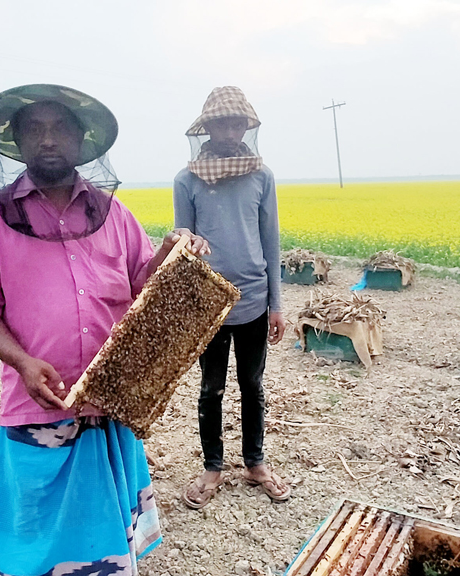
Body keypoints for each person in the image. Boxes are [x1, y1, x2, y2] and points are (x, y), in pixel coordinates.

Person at [0, 84, 208, 576]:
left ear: (81, 139)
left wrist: (171, 253)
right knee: (38, 549)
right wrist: (22, 362)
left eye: (59, 127)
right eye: (34, 129)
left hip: (113, 401)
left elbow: (143, 288)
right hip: (37, 409)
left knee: (107, 543)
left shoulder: (113, 215)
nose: (48, 139)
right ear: (16, 142)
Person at [174, 86, 291, 509]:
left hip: (255, 300)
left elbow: (270, 240)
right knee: (211, 388)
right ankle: (212, 466)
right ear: (206, 127)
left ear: (248, 126)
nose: (230, 129)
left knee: (253, 385)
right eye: (222, 122)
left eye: (238, 122)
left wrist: (276, 304)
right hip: (207, 303)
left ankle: (256, 463)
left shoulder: (262, 175)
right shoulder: (186, 179)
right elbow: (182, 247)